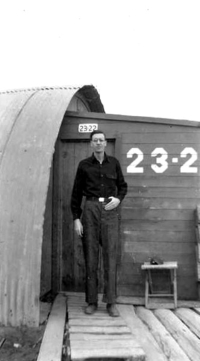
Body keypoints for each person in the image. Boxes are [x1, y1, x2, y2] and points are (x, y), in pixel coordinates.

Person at [71, 130, 127, 317]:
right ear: (91, 144)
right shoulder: (84, 165)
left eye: (101, 140)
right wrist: (76, 218)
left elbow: (123, 186)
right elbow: (76, 193)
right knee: (91, 257)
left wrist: (118, 199)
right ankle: (92, 301)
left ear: (105, 144)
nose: (98, 143)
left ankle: (111, 302)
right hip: (91, 209)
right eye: (95, 141)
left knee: (111, 257)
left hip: (110, 210)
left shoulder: (114, 164)